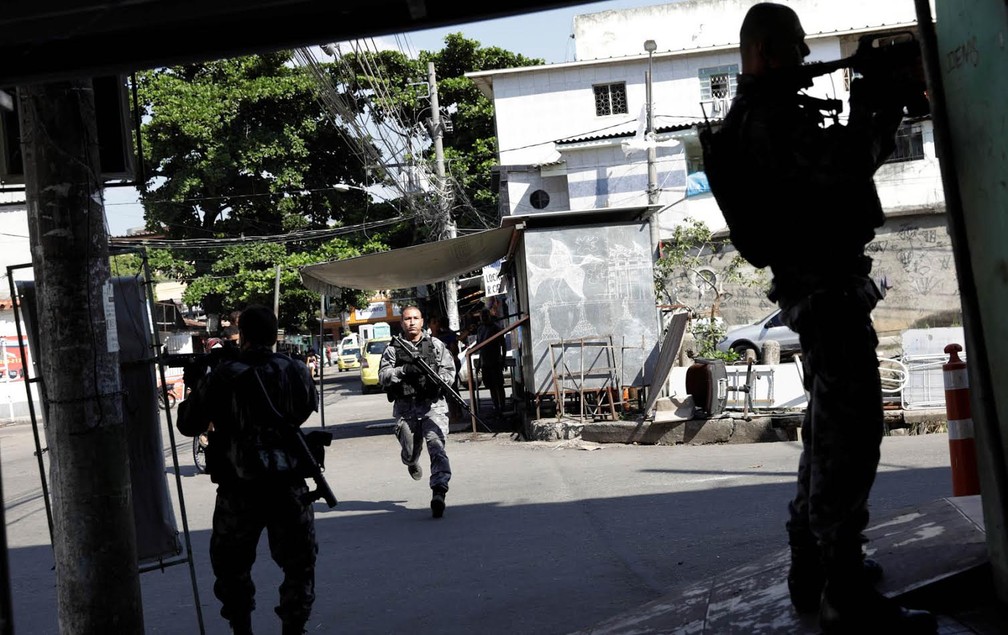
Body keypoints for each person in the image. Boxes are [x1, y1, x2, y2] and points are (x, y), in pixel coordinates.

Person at [708, 4, 936, 633]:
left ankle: (814, 568)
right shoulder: (769, 120)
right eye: (796, 47)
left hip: (819, 293)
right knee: (853, 437)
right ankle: (842, 594)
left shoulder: (763, 115)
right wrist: (878, 103)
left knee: (828, 431)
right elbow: (841, 168)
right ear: (764, 51)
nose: (807, 58)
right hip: (827, 296)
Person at [177, 305, 320, 635]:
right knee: (299, 565)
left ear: (242, 335)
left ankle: (242, 628)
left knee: (232, 567)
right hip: (287, 484)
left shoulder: (224, 375)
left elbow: (188, 423)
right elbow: (304, 409)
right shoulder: (294, 369)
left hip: (238, 489)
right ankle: (294, 627)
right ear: (273, 335)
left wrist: (198, 383)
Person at [378, 305, 456, 518]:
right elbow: (383, 376)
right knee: (411, 451)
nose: (411, 322)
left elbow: (449, 371)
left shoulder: (436, 345)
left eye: (415, 318)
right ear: (401, 323)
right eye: (407, 319)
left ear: (422, 321)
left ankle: (439, 491)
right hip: (406, 409)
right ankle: (411, 461)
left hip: (433, 407)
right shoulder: (393, 349)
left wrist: (440, 381)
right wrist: (403, 371)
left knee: (437, 447)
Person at [476, 309, 506, 414]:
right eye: (482, 316)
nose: (484, 318)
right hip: (485, 362)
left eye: (486, 316)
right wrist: (479, 364)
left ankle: (502, 406)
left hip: (495, 361)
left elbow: (503, 345)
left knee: (499, 385)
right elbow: (480, 348)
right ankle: (496, 406)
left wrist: (503, 359)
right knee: (491, 386)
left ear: (489, 316)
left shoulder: (496, 328)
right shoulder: (480, 330)